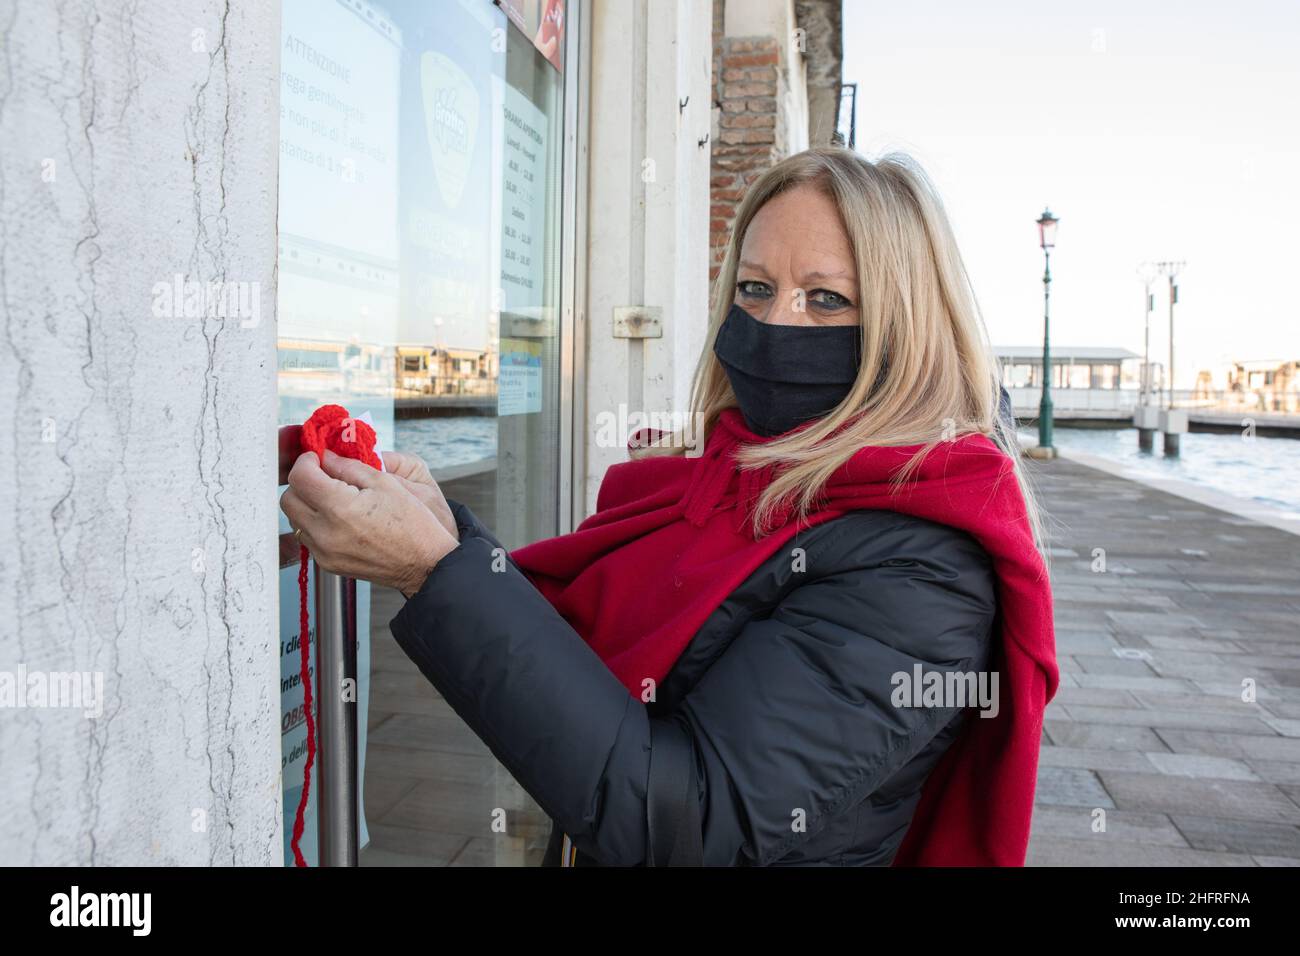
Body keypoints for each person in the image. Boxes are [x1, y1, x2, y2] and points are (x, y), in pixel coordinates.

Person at [281, 146, 1058, 867]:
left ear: (905, 330)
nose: (775, 323)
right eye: (755, 288)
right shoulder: (723, 478)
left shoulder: (923, 566)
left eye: (826, 299)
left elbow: (683, 820)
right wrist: (448, 536)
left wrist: (431, 568)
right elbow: (581, 670)